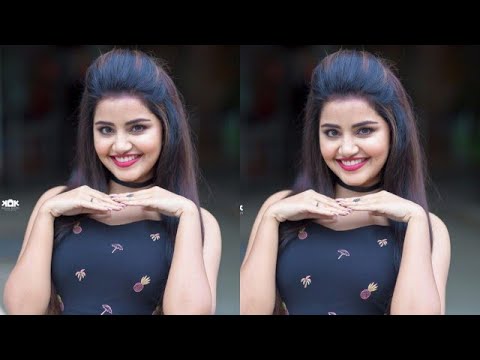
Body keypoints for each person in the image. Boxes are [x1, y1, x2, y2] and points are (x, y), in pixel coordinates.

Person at [3, 49, 221, 315]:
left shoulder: (200, 223)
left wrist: (186, 214)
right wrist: (47, 213)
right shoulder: (57, 203)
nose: (120, 145)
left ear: (167, 128)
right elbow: (21, 309)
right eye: (106, 129)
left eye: (137, 127)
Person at [240, 49, 450, 315]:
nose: (347, 148)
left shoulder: (428, 228)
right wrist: (271, 218)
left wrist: (415, 221)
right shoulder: (281, 207)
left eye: (364, 130)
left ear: (394, 132)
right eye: (332, 132)